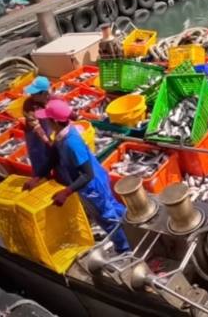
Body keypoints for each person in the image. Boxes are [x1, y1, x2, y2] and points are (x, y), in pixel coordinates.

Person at [24, 99, 130, 254]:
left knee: (105, 218)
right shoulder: (60, 135)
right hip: (95, 179)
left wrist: (66, 192)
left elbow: (88, 174)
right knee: (111, 206)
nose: (44, 120)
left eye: (47, 118)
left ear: (54, 121)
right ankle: (131, 223)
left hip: (93, 186)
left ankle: (124, 249)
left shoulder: (72, 143)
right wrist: (37, 176)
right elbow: (54, 157)